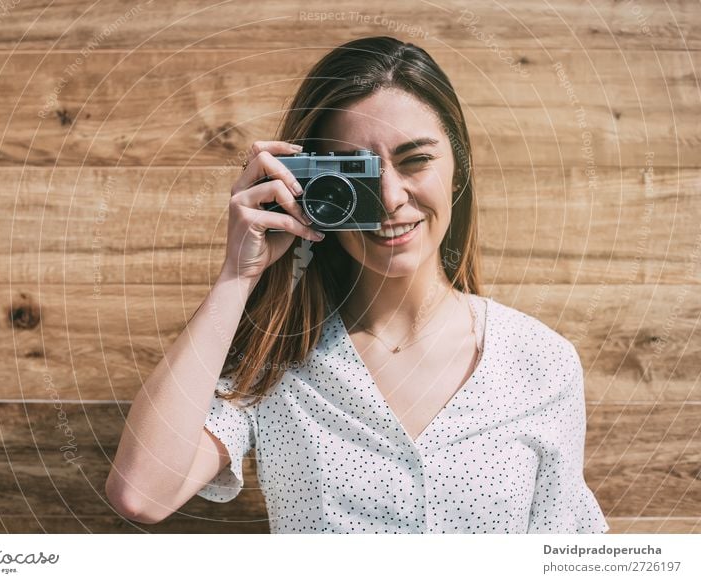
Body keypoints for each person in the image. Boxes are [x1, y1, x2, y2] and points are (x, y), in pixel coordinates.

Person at [105, 36, 610, 534]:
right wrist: (238, 275)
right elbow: (140, 493)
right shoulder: (272, 360)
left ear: (458, 170)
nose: (390, 197)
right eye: (359, 176)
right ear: (310, 185)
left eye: (415, 160)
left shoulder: (541, 362)